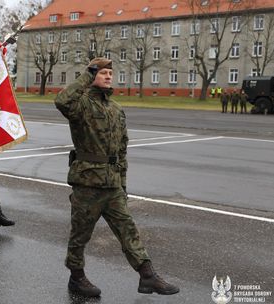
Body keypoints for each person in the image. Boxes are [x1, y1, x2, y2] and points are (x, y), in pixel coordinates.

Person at [55, 57, 179, 298]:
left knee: (128, 228)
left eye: (110, 72)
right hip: (87, 183)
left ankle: (147, 275)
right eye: (102, 72)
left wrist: (122, 184)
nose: (108, 76)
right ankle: (76, 277)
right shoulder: (81, 105)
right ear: (92, 75)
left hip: (112, 184)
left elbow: (122, 149)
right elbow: (61, 101)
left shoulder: (116, 109)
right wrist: (87, 75)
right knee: (80, 235)